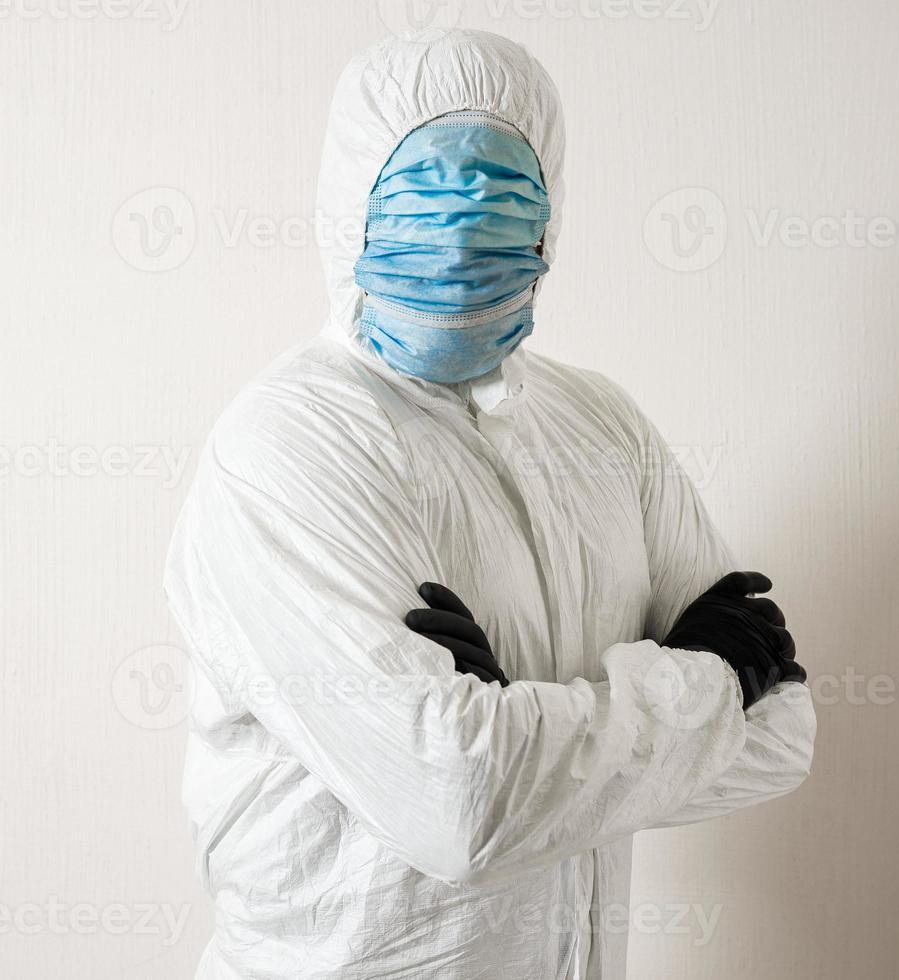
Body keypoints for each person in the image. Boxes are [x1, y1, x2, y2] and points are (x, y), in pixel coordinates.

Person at [163, 28, 815, 980]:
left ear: (552, 215)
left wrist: (518, 721)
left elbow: (785, 735)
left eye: (502, 196)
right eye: (423, 196)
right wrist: (706, 679)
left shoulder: (602, 424)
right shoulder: (287, 448)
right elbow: (458, 800)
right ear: (348, 208)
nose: (465, 238)